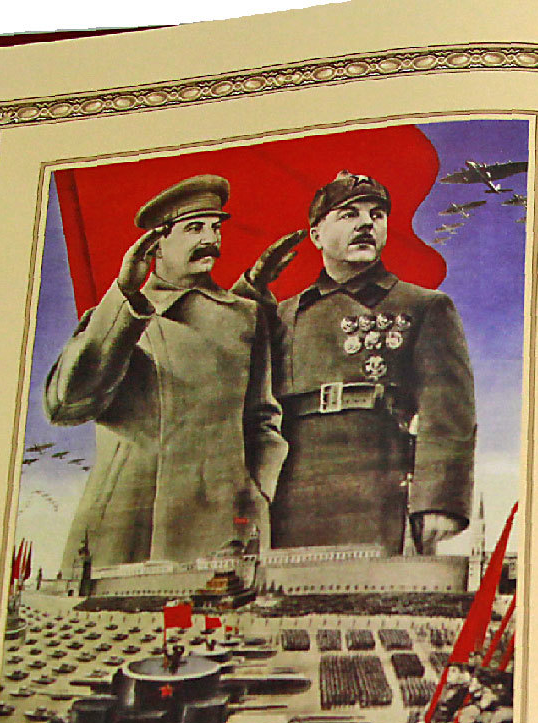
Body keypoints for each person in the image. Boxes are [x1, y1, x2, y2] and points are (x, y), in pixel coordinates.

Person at [46, 175, 288, 576]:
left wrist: (256, 493)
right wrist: (126, 294)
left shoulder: (245, 317)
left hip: (220, 529)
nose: (210, 239)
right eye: (194, 228)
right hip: (125, 527)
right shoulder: (116, 317)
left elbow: (262, 420)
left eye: (215, 227)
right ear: (155, 244)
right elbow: (66, 406)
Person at [241, 171, 475, 554]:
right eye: (349, 214)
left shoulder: (423, 306)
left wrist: (438, 499)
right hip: (294, 487)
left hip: (380, 480)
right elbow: (234, 378)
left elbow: (448, 411)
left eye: (376, 215)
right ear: (316, 234)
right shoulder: (283, 315)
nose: (366, 223)